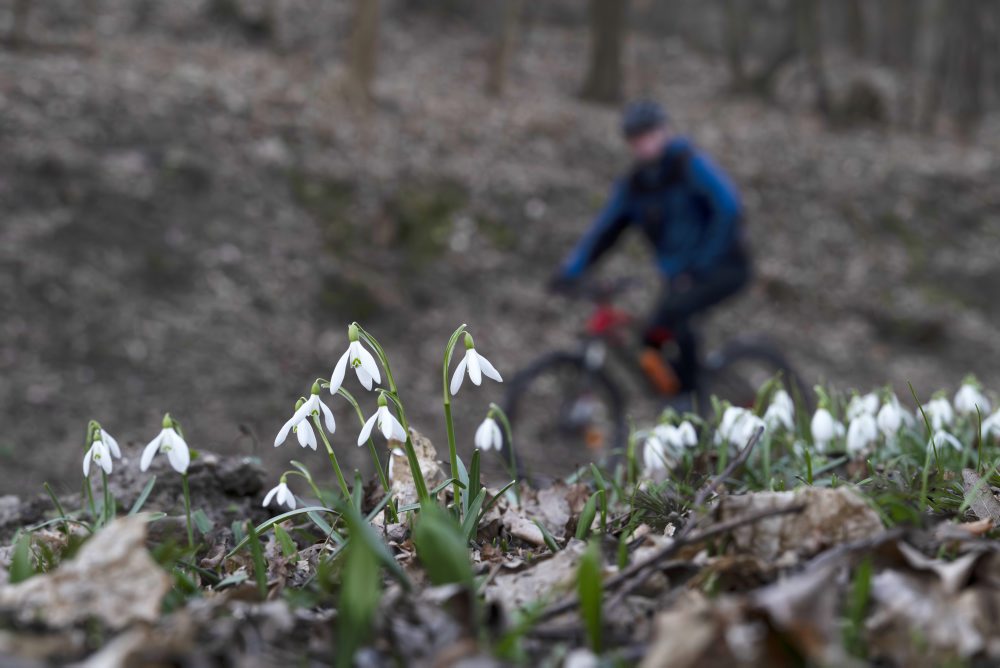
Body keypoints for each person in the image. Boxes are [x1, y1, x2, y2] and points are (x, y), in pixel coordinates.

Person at [550, 100, 751, 395]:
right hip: (680, 275)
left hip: (724, 266)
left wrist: (701, 264)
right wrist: (571, 270)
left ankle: (692, 402)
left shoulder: (688, 165)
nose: (645, 145)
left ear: (664, 132)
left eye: (650, 135)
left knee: (677, 315)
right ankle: (678, 395)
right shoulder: (636, 185)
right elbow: (605, 230)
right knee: (652, 338)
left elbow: (729, 209)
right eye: (637, 139)